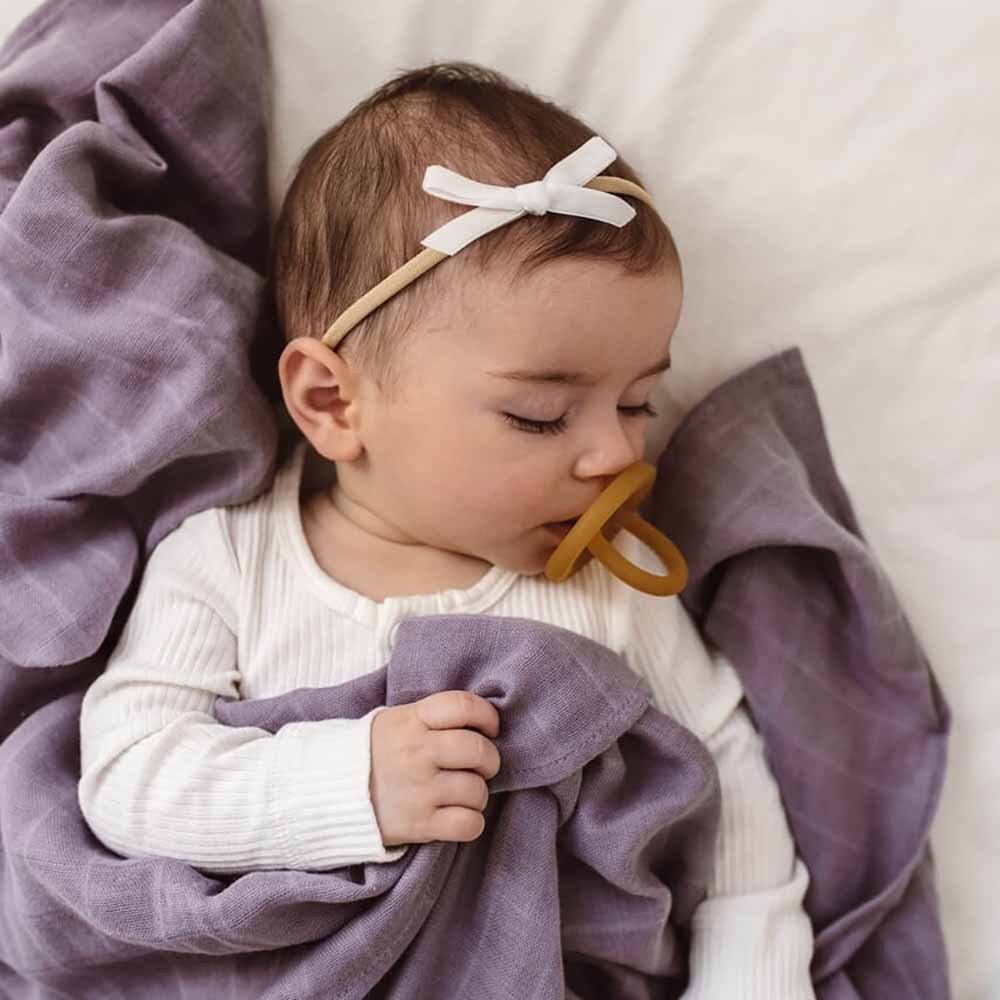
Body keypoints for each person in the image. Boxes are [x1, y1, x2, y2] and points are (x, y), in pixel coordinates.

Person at [78, 62, 815, 997]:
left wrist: (754, 973)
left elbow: (727, 781)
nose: (611, 457)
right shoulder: (226, 564)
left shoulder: (600, 588)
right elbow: (126, 777)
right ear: (333, 401)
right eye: (542, 416)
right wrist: (348, 784)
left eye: (637, 403)